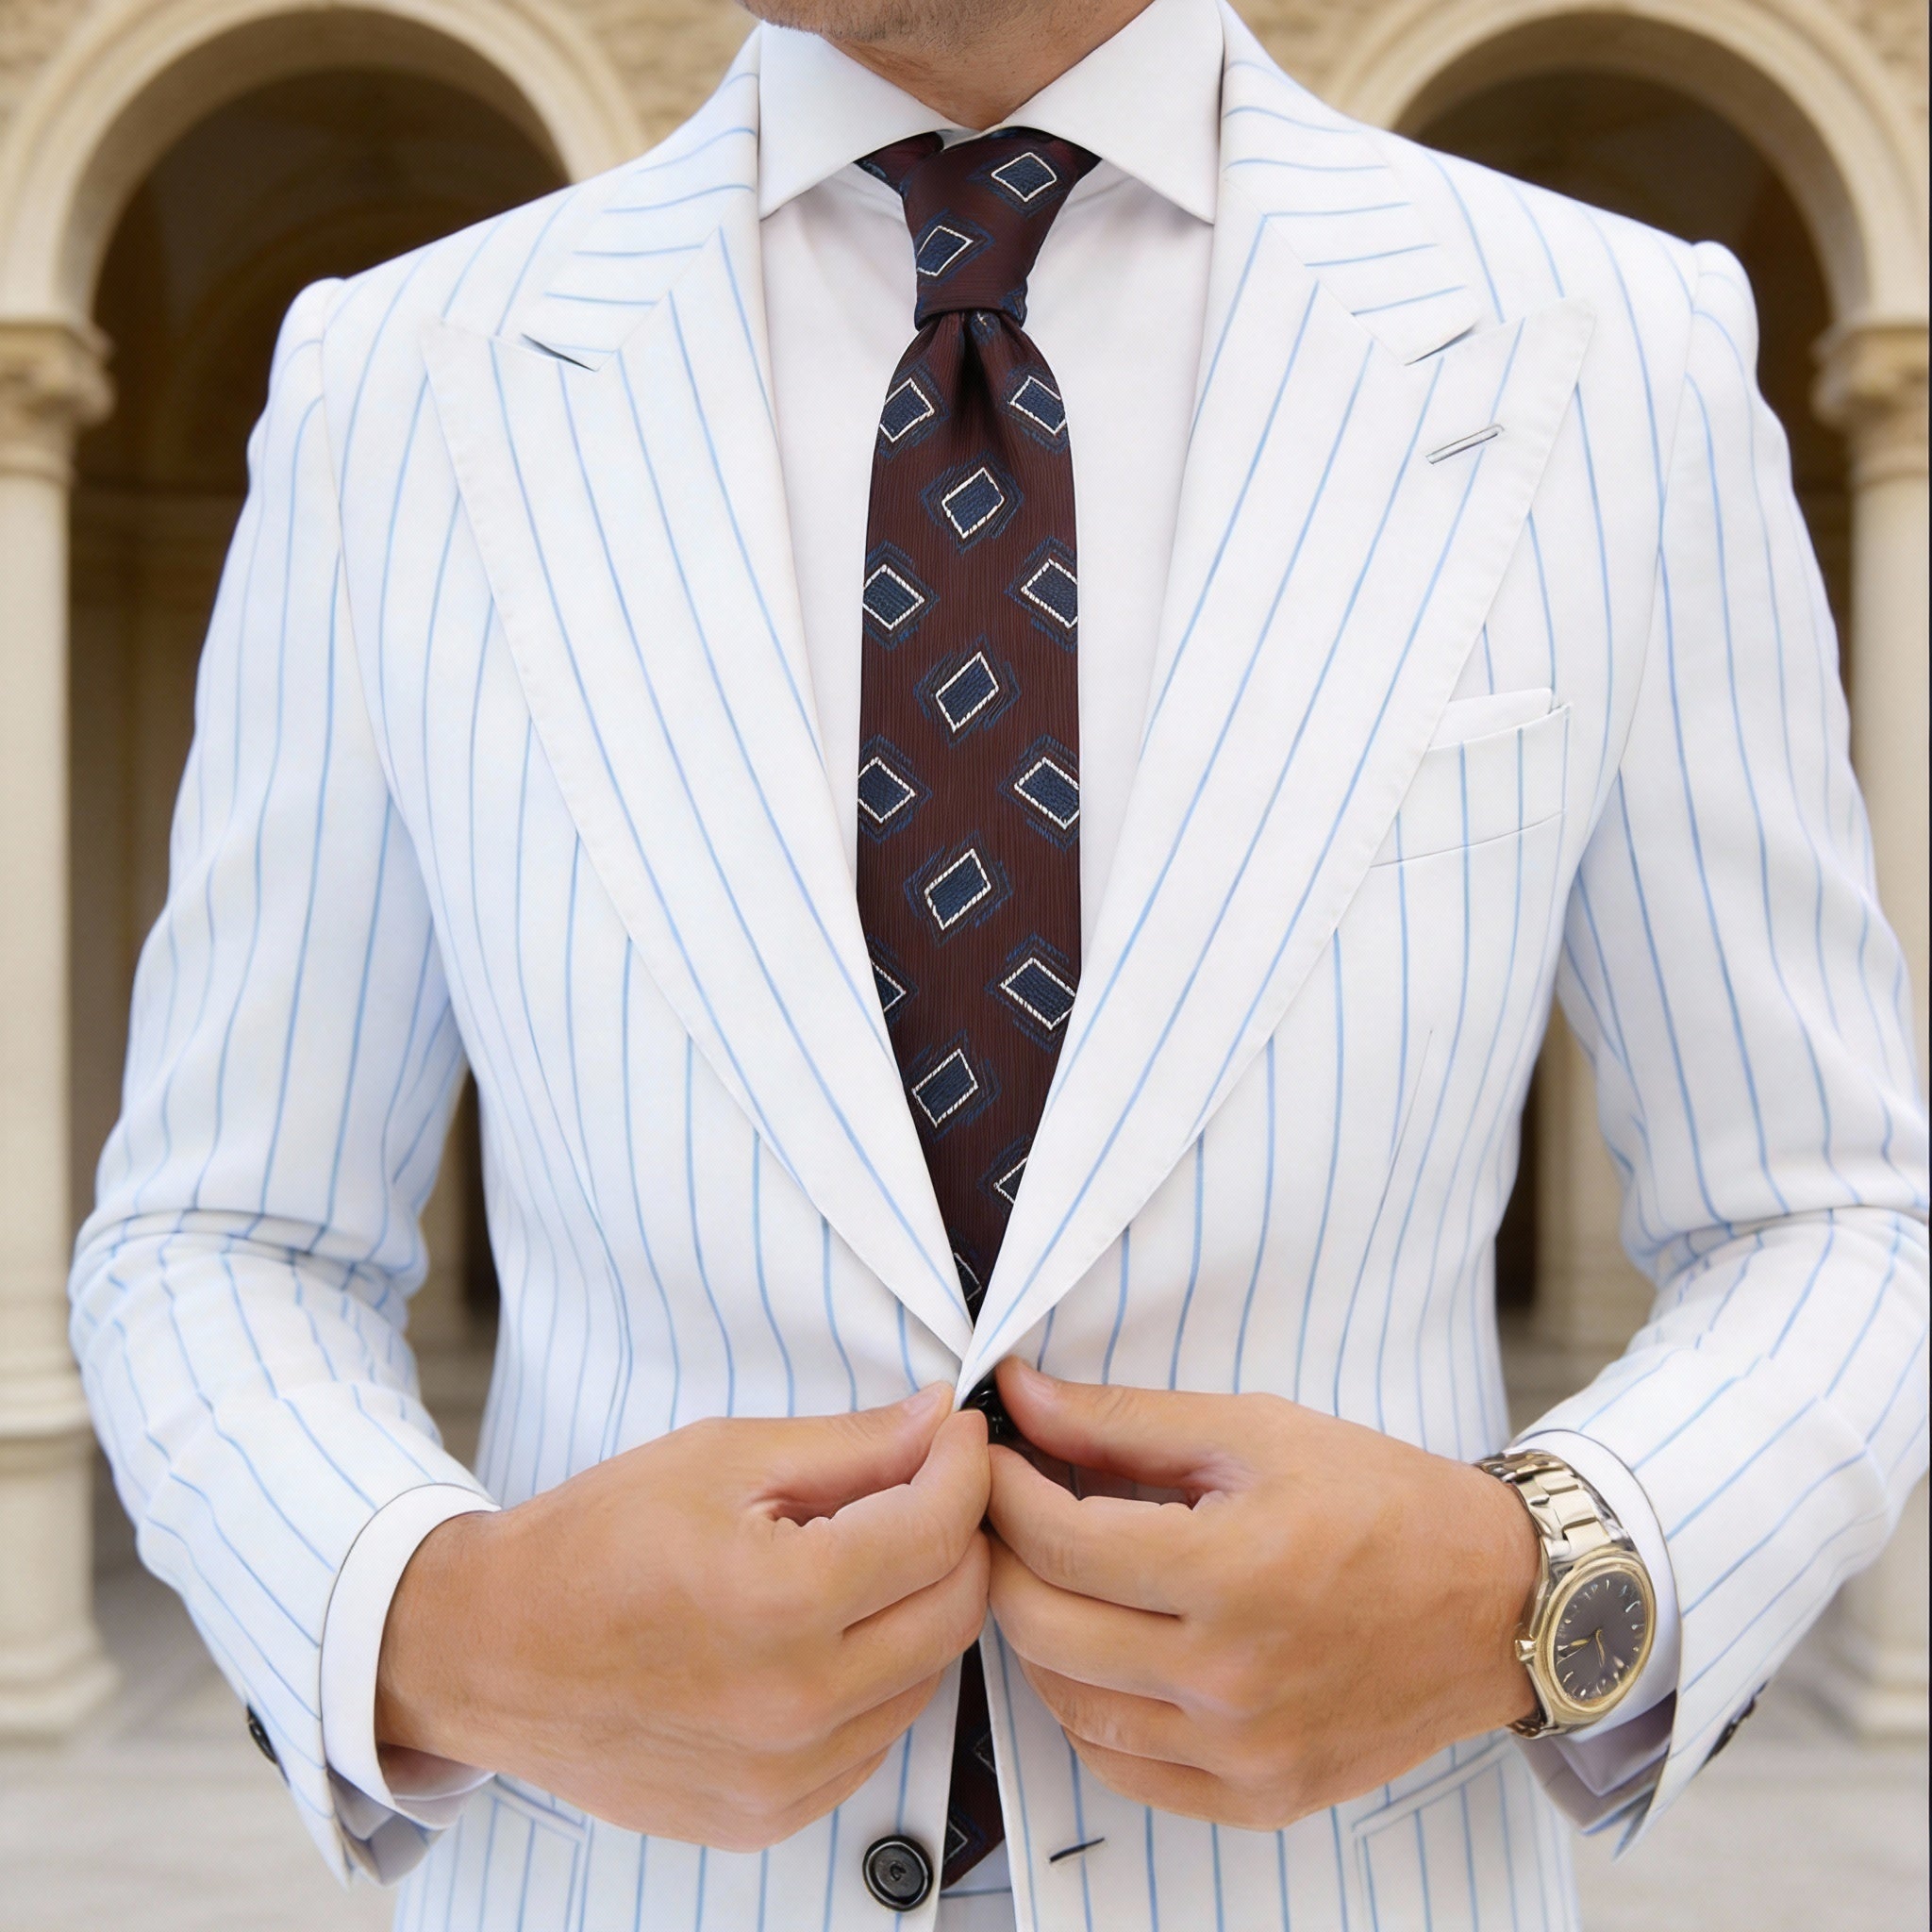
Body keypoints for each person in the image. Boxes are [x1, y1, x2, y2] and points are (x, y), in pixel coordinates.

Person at [70, 0, 1927, 1925]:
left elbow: (1829, 1213)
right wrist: (436, 1625)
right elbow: (222, 1235)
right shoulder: (400, 380)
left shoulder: (1615, 352)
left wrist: (1534, 1585)